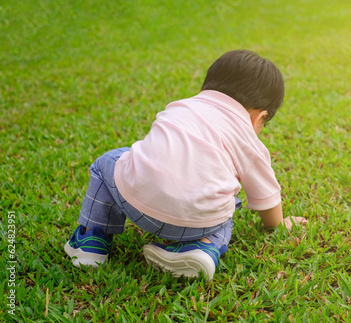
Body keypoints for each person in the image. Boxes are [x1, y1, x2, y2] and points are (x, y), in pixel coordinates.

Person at [64, 50, 307, 280]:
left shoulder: (180, 106)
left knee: (108, 161)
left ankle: (91, 241)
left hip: (135, 203)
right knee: (228, 204)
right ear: (261, 117)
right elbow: (267, 195)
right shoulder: (247, 137)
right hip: (196, 225)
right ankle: (203, 248)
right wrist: (278, 224)